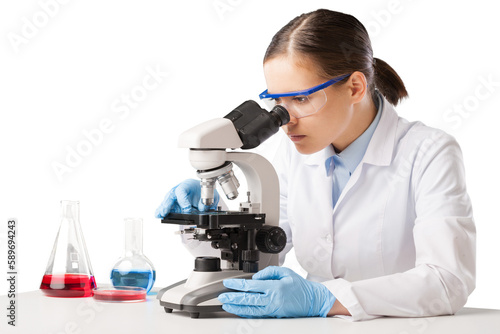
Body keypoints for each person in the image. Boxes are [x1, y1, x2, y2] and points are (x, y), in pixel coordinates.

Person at [155, 9, 475, 321]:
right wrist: (214, 220)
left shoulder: (429, 152)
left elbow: (447, 281)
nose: (285, 120)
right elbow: (263, 259)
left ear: (355, 87)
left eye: (301, 99)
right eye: (278, 101)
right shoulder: (297, 150)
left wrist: (324, 299)